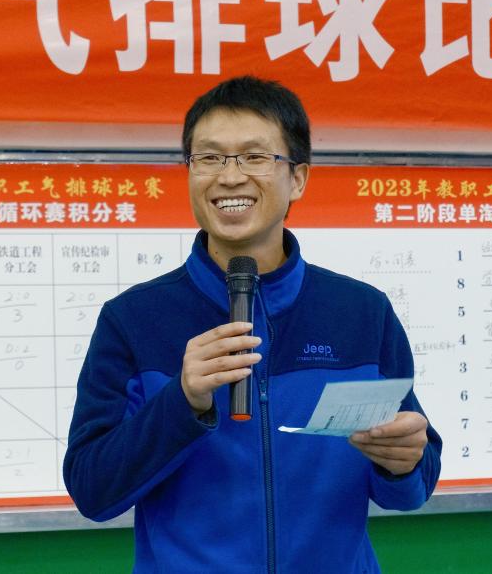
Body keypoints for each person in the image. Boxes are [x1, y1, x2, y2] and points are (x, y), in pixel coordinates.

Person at [63, 76, 442, 573]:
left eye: (254, 156)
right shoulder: (133, 319)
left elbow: (411, 488)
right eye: (209, 158)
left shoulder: (361, 312)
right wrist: (182, 401)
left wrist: (404, 460)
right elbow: (93, 491)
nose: (230, 177)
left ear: (298, 178)